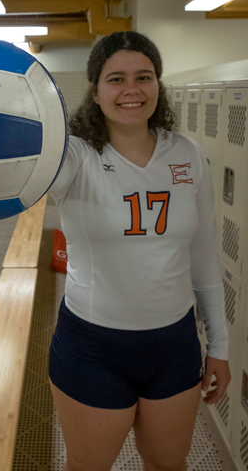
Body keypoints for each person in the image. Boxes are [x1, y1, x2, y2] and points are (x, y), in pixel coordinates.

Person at [47, 31, 231, 471]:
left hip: (174, 344)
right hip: (92, 346)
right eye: (116, 79)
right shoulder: (73, 156)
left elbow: (204, 259)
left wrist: (219, 347)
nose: (132, 89)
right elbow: (21, 179)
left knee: (169, 464)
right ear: (95, 92)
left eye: (144, 77)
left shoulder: (187, 154)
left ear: (158, 86)